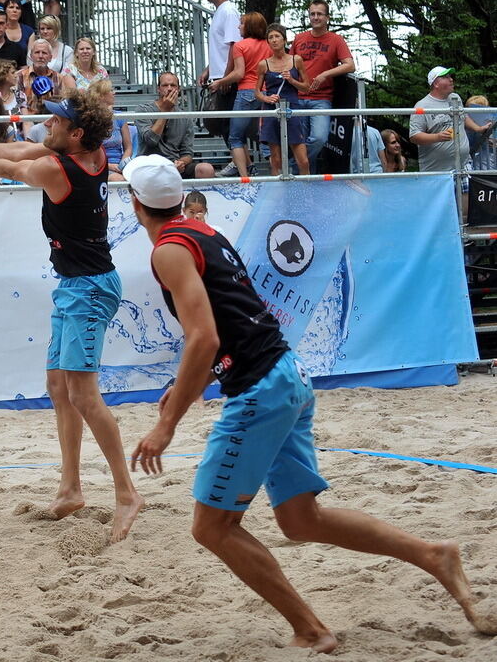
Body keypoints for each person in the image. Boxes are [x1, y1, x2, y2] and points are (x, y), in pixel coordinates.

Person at [123, 152, 496, 654]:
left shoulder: (168, 250)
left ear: (135, 203)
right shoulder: (202, 232)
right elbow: (234, 317)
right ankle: (434, 555)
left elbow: (205, 337)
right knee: (300, 520)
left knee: (212, 527)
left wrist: (168, 422)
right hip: (287, 375)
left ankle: (312, 629)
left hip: (260, 390)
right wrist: (186, 381)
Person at [0, 90, 145, 542]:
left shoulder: (58, 170)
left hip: (89, 289)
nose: (48, 124)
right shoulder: (93, 152)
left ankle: (126, 493)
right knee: (58, 387)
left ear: (75, 133)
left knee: (83, 395)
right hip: (76, 286)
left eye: (57, 121)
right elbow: (26, 150)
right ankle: (70, 488)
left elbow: (19, 167)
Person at [290, 0, 354, 171]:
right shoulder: (299, 38)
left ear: (327, 17)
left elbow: (350, 65)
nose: (315, 17)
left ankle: (293, 168)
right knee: (299, 141)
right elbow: (288, 64)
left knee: (319, 138)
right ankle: (305, 178)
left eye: (319, 14)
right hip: (297, 96)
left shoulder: (336, 40)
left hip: (321, 98)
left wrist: (326, 74)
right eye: (312, 14)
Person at [210, 11, 270, 178]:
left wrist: (219, 82)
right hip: (266, 93)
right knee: (269, 136)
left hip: (246, 93)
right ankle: (276, 173)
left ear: (249, 26)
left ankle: (244, 178)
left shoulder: (240, 46)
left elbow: (239, 73)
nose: (238, 26)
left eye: (242, 23)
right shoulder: (268, 45)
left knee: (235, 137)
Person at [409, 66, 475, 214]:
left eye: (450, 76)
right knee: (440, 212)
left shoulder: (455, 98)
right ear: (436, 83)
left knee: (466, 210)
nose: (451, 79)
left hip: (462, 164)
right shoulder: (422, 106)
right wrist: (437, 137)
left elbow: (464, 118)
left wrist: (478, 128)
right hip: (437, 172)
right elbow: (414, 136)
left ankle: (465, 236)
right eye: (446, 77)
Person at [135, 72, 215, 179]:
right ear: (158, 89)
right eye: (165, 85)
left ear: (178, 89)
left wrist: (181, 163)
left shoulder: (185, 117)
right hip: (149, 164)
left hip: (174, 164)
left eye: (173, 85)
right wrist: (165, 111)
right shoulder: (143, 110)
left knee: (206, 169)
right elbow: (150, 140)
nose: (169, 89)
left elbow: (187, 153)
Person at [254, 22, 309, 176]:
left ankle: (308, 193)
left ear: (284, 40)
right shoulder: (263, 64)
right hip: (273, 109)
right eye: (270, 37)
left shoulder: (296, 60)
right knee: (276, 160)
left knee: (303, 160)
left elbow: (306, 87)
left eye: (277, 36)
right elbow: (256, 92)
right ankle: (278, 195)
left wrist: (292, 80)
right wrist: (267, 98)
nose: (274, 40)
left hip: (292, 108)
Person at [87, 77, 130, 181]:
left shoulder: (119, 117)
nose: (114, 93)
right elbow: (88, 152)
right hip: (98, 165)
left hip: (120, 164)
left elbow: (128, 147)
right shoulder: (89, 119)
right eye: (110, 90)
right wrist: (109, 166)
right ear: (101, 96)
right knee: (118, 179)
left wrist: (123, 163)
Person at [14, 37, 59, 108]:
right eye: (37, 52)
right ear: (31, 56)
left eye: (44, 53)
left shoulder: (59, 78)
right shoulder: (19, 76)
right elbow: (18, 104)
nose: (40, 56)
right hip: (27, 118)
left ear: (50, 57)